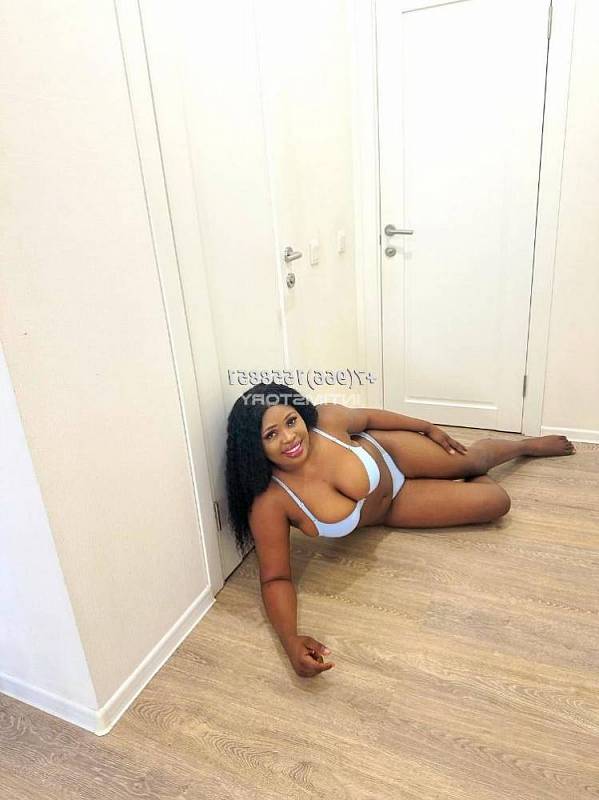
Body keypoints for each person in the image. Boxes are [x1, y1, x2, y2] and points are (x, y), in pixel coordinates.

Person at [225, 382, 576, 678]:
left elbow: (370, 418)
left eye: (291, 421)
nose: (289, 437)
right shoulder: (271, 501)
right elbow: (275, 578)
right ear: (254, 448)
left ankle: (523, 446)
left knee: (473, 460)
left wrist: (426, 427)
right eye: (272, 434)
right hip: (392, 507)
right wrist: (290, 641)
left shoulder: (326, 421)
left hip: (392, 452)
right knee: (497, 502)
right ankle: (458, 478)